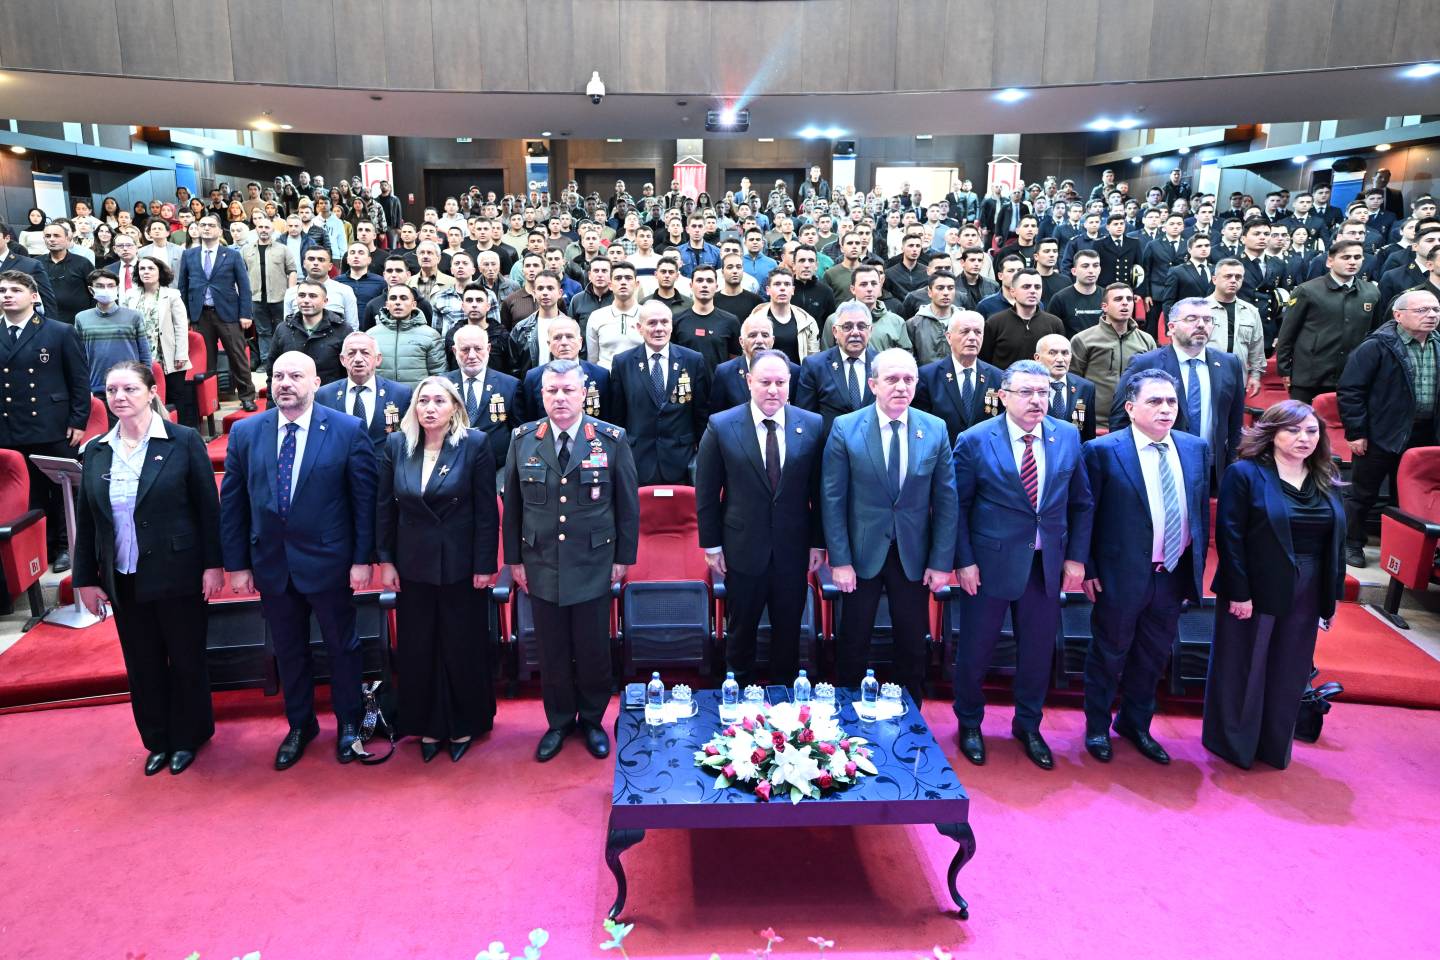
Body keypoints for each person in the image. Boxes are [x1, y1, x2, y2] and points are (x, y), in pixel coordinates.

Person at [220, 351, 378, 770]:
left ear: (315, 382)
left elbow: (363, 502)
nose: (285, 383)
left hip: (329, 562)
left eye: (295, 376)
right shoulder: (246, 432)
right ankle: (300, 725)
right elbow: (233, 504)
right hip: (272, 563)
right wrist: (237, 565)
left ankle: (349, 723)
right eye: (277, 376)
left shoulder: (346, 429)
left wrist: (362, 558)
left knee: (342, 647)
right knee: (289, 651)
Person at [72, 361, 224, 776]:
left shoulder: (183, 440)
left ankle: (189, 736)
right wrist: (85, 578)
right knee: (143, 664)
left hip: (179, 572)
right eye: (111, 391)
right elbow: (89, 521)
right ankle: (157, 739)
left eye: (129, 389)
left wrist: (214, 564)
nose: (119, 397)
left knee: (186, 658)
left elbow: (208, 510)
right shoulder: (97, 450)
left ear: (152, 391)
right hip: (124, 575)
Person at [952, 360, 1093, 770]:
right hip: (989, 565)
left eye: (1043, 392)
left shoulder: (1067, 435)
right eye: (1027, 392)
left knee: (1037, 651)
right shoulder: (975, 440)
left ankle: (1028, 725)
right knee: (976, 648)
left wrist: (1076, 557)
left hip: (1045, 564)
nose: (1037, 400)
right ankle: (969, 723)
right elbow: (957, 507)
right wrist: (964, 561)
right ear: (1003, 396)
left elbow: (1082, 502)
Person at [503, 360, 639, 762]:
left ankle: (593, 720)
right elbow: (513, 508)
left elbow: (627, 506)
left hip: (593, 561)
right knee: (552, 649)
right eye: (552, 391)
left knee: (593, 646)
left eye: (567, 390)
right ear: (541, 395)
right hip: (541, 561)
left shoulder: (611, 439)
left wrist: (623, 558)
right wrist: (514, 560)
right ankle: (559, 721)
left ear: (584, 394)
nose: (559, 398)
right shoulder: (522, 439)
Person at [1203, 401, 1346, 770]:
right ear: (1271, 433)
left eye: (1311, 431)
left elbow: (1336, 541)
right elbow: (1230, 538)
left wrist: (1330, 598)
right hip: (1255, 583)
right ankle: (1233, 743)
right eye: (1293, 430)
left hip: (1309, 585)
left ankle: (1272, 744)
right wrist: (1239, 592)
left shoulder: (1325, 474)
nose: (1304, 438)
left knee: (1290, 668)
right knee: (1244, 664)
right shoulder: (1245, 473)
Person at [1080, 370, 1209, 764]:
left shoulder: (1195, 448)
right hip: (1119, 575)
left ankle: (1135, 724)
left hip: (1172, 573)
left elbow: (1199, 512)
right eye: (1155, 401)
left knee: (1153, 655)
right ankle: (1097, 727)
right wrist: (1088, 567)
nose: (1165, 409)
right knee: (1109, 653)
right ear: (1131, 407)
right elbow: (1086, 514)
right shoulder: (1102, 451)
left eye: (1171, 401)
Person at [821, 348, 956, 701]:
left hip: (913, 555)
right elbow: (832, 499)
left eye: (908, 379)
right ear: (873, 385)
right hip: (860, 555)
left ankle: (909, 717)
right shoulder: (846, 428)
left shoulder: (935, 429)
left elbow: (946, 501)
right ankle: (848, 713)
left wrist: (941, 562)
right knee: (854, 640)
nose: (901, 387)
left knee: (912, 643)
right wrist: (840, 560)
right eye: (892, 379)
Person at [376, 376, 499, 763]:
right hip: (413, 565)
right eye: (423, 401)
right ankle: (426, 724)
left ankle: (464, 723)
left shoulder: (475, 444)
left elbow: (486, 512)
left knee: (461, 645)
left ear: (455, 408)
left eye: (439, 401)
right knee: (419, 647)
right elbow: (384, 508)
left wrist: (484, 564)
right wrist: (386, 560)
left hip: (461, 565)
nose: (430, 408)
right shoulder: (397, 445)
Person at [695, 349, 825, 685]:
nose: (773, 390)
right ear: (749, 381)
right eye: (765, 382)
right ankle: (738, 694)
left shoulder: (811, 425)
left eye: (781, 382)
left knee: (789, 632)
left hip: (792, 550)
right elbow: (706, 492)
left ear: (790, 383)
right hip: (741, 549)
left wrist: (818, 542)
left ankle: (783, 697)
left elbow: (819, 491)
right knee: (741, 633)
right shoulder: (722, 425)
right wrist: (712, 545)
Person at [1336, 289, 1440, 567]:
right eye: (1422, 310)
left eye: (1435, 309)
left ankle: (1404, 551)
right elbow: (1351, 391)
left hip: (1425, 434)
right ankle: (1351, 543)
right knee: (1363, 493)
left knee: (1407, 495)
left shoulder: (1438, 344)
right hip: (1381, 432)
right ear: (1398, 315)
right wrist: (1356, 432)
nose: (1431, 315)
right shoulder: (1377, 345)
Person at [0, 269, 91, 572]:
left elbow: (79, 380)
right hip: (10, 425)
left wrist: (79, 420)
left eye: (15, 290)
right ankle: (42, 545)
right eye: (3, 290)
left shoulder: (58, 331)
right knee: (29, 492)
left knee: (62, 488)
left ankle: (67, 544)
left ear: (33, 296)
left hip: (53, 424)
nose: (8, 295)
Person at [1110, 298, 1246, 479]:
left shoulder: (1230, 363)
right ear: (1171, 327)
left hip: (1214, 469)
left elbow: (1235, 422)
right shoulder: (1145, 363)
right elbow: (1120, 418)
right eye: (1192, 319)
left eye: (1207, 320)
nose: (1201, 325)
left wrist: (1232, 466)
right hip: (1157, 467)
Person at [607, 301, 710, 485]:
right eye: (652, 323)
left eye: (664, 322)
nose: (659, 328)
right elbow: (617, 417)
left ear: (672, 326)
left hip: (682, 461)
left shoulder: (693, 360)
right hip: (637, 461)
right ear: (639, 328)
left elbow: (701, 414)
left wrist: (703, 456)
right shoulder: (623, 363)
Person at [1276, 240, 1383, 403]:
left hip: (1353, 374)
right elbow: (1287, 334)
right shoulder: (1307, 290)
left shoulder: (1371, 292)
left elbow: (1374, 334)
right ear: (1329, 262)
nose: (1352, 262)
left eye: (1357, 257)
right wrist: (1284, 370)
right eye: (1346, 257)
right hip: (1310, 376)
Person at [177, 215, 257, 410]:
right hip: (200, 314)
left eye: (211, 225)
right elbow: (183, 287)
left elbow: (244, 286)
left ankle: (247, 396)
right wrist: (185, 315)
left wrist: (245, 314)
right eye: (203, 225)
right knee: (207, 359)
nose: (206, 228)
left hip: (229, 313)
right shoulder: (189, 255)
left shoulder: (231, 255)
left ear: (220, 231)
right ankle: (211, 400)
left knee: (237, 356)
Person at [1069, 283, 1157, 429]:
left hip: (1134, 424)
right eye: (1118, 299)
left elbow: (1153, 382)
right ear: (1104, 307)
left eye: (1129, 299)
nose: (1125, 303)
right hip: (1094, 424)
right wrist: (1078, 426)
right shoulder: (1083, 339)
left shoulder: (1146, 341)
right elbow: (1074, 386)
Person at [314, 331, 414, 453]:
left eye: (365, 353)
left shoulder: (400, 394)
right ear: (342, 360)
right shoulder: (324, 395)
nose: (358, 359)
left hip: (384, 464)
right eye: (351, 353)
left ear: (378, 359)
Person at [123, 255, 193, 426]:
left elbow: (181, 326)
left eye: (151, 268)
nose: (146, 272)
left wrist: (181, 354)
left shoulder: (172, 295)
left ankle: (180, 430)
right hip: (140, 356)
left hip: (168, 356)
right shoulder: (130, 295)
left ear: (160, 272)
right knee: (144, 396)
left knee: (174, 396)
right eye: (142, 268)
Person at [914, 311, 1003, 443]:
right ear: (949, 337)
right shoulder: (927, 376)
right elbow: (921, 424)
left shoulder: (998, 377)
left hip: (984, 451)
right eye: (965, 331)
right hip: (944, 450)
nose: (972, 337)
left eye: (978, 332)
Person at [796, 301, 878, 435]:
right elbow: (805, 418)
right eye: (847, 327)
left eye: (861, 326)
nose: (855, 332)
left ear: (870, 330)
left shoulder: (883, 364)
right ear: (835, 331)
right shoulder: (815, 366)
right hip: (831, 444)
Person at [445, 324, 521, 469]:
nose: (472, 356)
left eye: (478, 349)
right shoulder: (442, 385)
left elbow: (519, 433)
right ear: (454, 351)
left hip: (497, 469)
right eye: (465, 349)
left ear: (488, 349)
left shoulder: (510, 385)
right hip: (450, 466)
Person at [519, 317, 608, 423]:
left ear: (580, 342)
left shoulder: (600, 375)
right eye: (557, 338)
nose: (564, 342)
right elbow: (530, 420)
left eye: (570, 336)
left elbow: (608, 420)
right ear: (549, 345)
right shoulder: (533, 378)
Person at [709, 314, 801, 416]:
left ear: (772, 341)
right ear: (741, 341)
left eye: (765, 335)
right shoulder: (725, 372)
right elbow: (716, 416)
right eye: (752, 335)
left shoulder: (792, 371)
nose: (759, 341)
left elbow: (798, 415)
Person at [1206, 259, 1266, 395]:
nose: (1233, 280)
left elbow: (1256, 347)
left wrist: (1255, 375)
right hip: (1205, 378)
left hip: (1238, 379)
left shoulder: (1251, 311)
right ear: (1214, 280)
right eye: (1228, 276)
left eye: (1238, 277)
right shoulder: (1200, 309)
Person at [1035, 333, 1097, 442]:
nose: (1060, 359)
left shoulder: (1085, 387)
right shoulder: (1028, 387)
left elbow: (1088, 435)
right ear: (1037, 358)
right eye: (1052, 353)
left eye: (1065, 353)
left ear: (1071, 357)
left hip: (1073, 450)